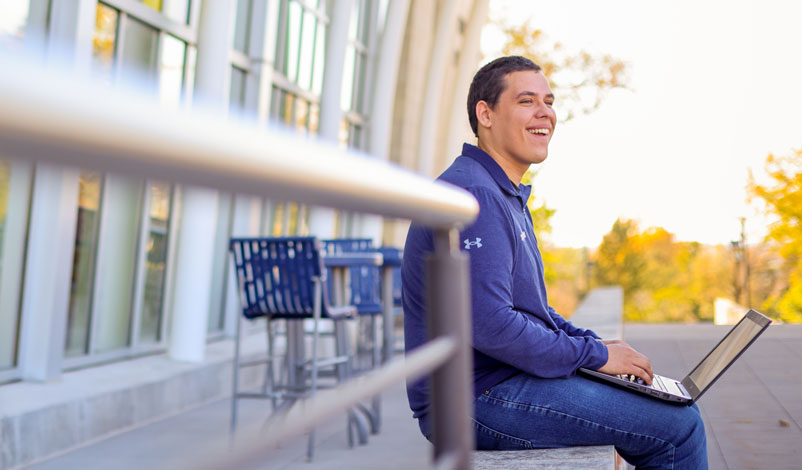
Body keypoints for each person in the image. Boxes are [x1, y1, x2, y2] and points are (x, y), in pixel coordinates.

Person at [401, 56, 708, 469]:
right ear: (485, 113)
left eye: (548, 101)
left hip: (499, 381)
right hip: (471, 399)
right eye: (526, 101)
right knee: (678, 427)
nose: (544, 112)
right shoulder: (476, 194)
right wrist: (593, 357)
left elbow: (535, 312)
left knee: (666, 411)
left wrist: (596, 348)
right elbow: (492, 325)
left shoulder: (500, 191)